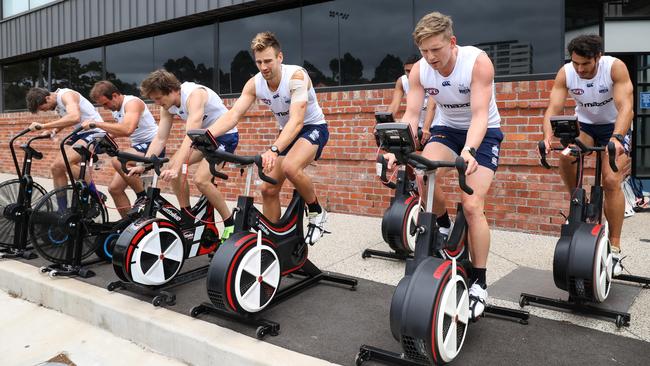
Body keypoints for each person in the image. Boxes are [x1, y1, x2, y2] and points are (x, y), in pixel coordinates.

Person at [385, 12, 504, 319]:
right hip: (447, 129)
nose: (430, 57)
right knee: (423, 174)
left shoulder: (477, 63)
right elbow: (412, 115)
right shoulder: (420, 71)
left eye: (435, 50)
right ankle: (445, 226)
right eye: (424, 51)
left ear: (452, 42)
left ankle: (479, 282)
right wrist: (394, 148)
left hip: (484, 133)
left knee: (473, 204)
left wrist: (470, 151)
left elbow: (479, 115)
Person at [201, 31, 329, 245]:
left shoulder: (296, 77)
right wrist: (207, 135)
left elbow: (297, 121)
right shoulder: (254, 84)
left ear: (280, 57)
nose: (263, 67)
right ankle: (273, 242)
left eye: (268, 60)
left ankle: (317, 211)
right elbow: (233, 115)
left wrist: (274, 149)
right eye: (259, 62)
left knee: (290, 166)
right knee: (267, 188)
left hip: (312, 127)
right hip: (286, 133)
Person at [542, 34, 633, 276]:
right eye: (576, 63)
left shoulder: (615, 68)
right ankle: (577, 205)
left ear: (598, 57)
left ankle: (614, 246)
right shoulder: (566, 72)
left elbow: (626, 107)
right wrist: (547, 137)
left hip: (615, 125)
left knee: (611, 180)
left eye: (585, 64)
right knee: (565, 155)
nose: (580, 69)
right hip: (585, 126)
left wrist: (617, 138)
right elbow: (553, 108)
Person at [132, 70, 239, 239]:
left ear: (172, 90)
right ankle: (187, 219)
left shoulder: (194, 95)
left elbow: (190, 136)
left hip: (224, 137)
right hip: (201, 139)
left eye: (159, 98)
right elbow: (160, 138)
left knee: (201, 180)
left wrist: (179, 166)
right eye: (154, 100)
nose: (157, 103)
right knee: (171, 167)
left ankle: (230, 224)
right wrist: (143, 164)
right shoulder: (167, 106)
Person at [81, 80, 159, 218]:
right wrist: (98, 143)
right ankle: (129, 225)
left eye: (106, 103)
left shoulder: (132, 103)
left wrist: (96, 123)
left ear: (115, 95)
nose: (105, 108)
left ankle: (143, 197)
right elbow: (118, 131)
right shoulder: (117, 110)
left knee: (118, 160)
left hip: (153, 145)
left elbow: (127, 129)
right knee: (114, 189)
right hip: (139, 146)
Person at [25, 87, 105, 206]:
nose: (45, 111)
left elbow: (74, 117)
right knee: (56, 167)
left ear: (47, 98)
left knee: (65, 162)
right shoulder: (57, 102)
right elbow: (65, 119)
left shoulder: (66, 95)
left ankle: (96, 195)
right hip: (79, 133)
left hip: (95, 131)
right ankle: (62, 210)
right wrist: (54, 131)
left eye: (43, 108)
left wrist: (43, 126)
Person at [388, 54, 437, 146]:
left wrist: (426, 128)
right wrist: (383, 124)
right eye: (407, 71)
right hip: (416, 123)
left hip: (435, 123)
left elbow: (432, 106)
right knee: (403, 148)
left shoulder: (432, 77)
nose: (410, 74)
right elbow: (394, 105)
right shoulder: (402, 81)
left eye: (413, 70)